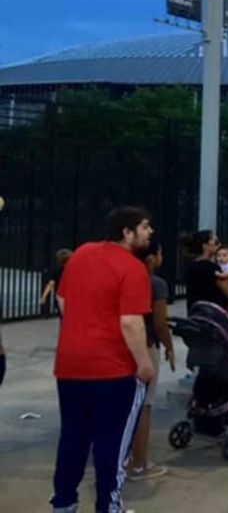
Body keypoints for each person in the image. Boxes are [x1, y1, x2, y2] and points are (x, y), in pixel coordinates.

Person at [50, 206, 155, 513]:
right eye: (145, 227)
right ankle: (109, 506)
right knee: (112, 443)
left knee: (73, 437)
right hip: (113, 368)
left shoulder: (81, 254)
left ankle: (64, 502)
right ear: (127, 232)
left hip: (71, 365)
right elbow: (130, 322)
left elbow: (62, 298)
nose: (150, 232)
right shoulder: (133, 268)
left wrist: (83, 325)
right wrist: (144, 363)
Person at [127, 235, 175, 481]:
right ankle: (139, 463)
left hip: (122, 345)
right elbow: (159, 322)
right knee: (144, 404)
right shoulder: (156, 284)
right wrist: (169, 346)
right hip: (146, 346)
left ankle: (121, 456)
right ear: (151, 258)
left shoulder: (123, 277)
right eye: (160, 253)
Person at [183, 230, 228, 313]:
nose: (218, 245)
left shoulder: (190, 266)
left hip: (195, 314)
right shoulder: (212, 268)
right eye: (216, 242)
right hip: (213, 315)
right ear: (205, 246)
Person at [40, 249, 73, 316]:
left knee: (63, 317)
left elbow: (50, 284)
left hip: (60, 298)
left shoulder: (57, 271)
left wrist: (44, 296)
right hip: (72, 298)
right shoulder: (73, 271)